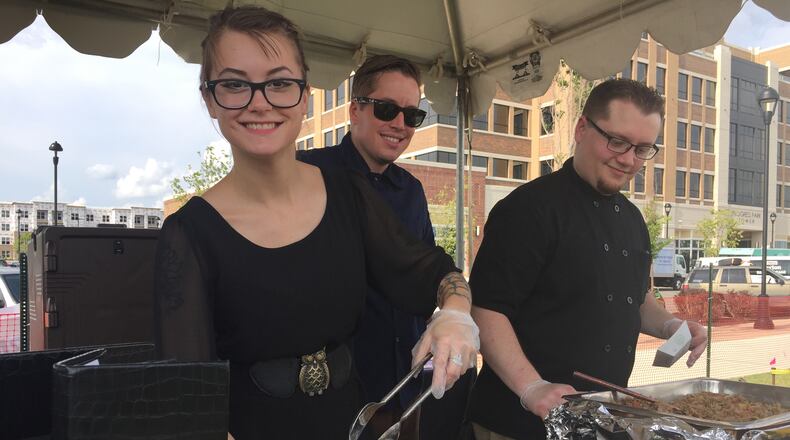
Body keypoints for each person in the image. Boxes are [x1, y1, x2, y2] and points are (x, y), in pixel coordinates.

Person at [153, 6, 479, 440]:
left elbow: (433, 273)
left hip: (351, 422)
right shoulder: (189, 235)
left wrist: (455, 314)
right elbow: (187, 398)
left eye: (280, 83)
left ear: (305, 95)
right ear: (211, 99)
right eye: (235, 84)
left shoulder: (349, 195)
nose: (260, 102)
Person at [467, 79, 708, 440]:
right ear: (582, 129)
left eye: (642, 149)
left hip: (600, 420)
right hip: (517, 423)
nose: (628, 159)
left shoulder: (632, 219)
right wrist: (531, 388)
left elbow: (636, 300)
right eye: (617, 141)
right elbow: (486, 311)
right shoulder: (527, 210)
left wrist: (672, 327)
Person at [298, 55, 475, 440]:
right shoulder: (307, 173)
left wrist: (453, 313)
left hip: (403, 384)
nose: (400, 124)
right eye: (387, 109)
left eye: (412, 115)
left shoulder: (411, 190)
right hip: (330, 390)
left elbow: (427, 269)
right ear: (354, 110)